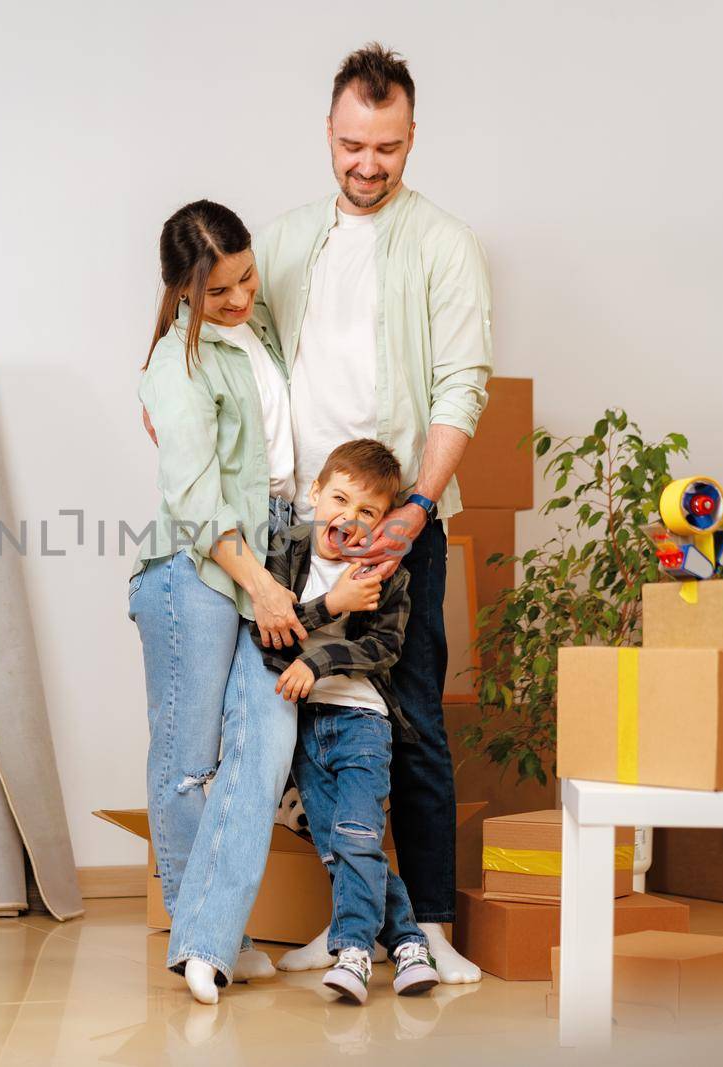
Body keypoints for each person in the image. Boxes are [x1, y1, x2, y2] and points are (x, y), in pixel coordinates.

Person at [255, 43, 494, 983]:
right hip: (306, 530)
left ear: (410, 139)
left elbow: (461, 385)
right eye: (353, 144)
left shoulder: (443, 244)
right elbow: (236, 347)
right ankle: (353, 921)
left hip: (403, 525)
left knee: (410, 717)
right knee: (315, 715)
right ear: (329, 132)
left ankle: (428, 924)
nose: (368, 164)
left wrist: (419, 508)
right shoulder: (282, 243)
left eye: (387, 148)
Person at [130, 199, 301, 1004]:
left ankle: (208, 930)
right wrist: (264, 584)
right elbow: (198, 508)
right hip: (195, 568)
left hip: (270, 549)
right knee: (187, 763)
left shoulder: (257, 328)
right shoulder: (175, 365)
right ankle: (207, 933)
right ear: (183, 290)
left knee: (264, 748)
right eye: (219, 291)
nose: (239, 299)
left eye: (246, 277)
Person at [255, 439, 443, 1004]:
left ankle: (355, 952)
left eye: (368, 512)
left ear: (385, 521)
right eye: (339, 499)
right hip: (304, 729)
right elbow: (268, 639)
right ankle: (408, 942)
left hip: (362, 720)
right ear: (315, 493)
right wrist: (331, 605)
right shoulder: (285, 554)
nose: (349, 518)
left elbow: (384, 648)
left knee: (360, 835)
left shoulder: (385, 573)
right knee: (339, 847)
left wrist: (319, 659)